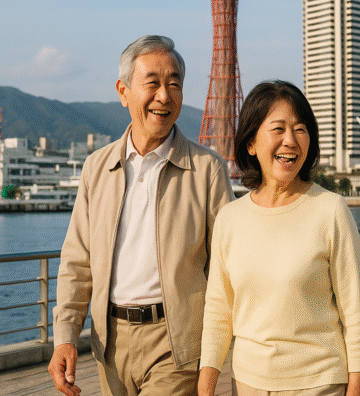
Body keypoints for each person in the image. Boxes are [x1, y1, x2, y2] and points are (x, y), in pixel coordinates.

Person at [48, 35, 235, 396]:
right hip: (109, 341)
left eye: (174, 84)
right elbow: (77, 262)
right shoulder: (97, 168)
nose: (164, 96)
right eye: (152, 83)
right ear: (123, 91)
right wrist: (65, 336)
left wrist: (214, 353)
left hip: (176, 343)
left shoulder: (206, 169)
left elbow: (227, 266)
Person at [197, 80, 360, 396]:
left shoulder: (330, 210)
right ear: (251, 143)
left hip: (319, 384)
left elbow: (355, 315)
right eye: (278, 129)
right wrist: (205, 387)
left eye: (300, 129)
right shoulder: (230, 219)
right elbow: (219, 313)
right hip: (247, 384)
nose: (290, 141)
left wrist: (357, 390)